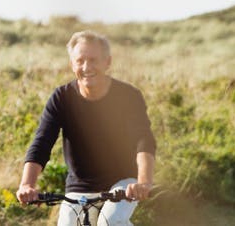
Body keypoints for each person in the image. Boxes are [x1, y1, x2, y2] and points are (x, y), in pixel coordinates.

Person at [16, 31, 157, 226]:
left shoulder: (128, 96)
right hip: (79, 186)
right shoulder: (61, 98)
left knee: (110, 221)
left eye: (93, 60)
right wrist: (27, 185)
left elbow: (143, 140)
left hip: (122, 181)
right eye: (80, 60)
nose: (86, 67)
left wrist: (143, 182)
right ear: (71, 64)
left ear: (107, 62)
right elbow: (42, 143)